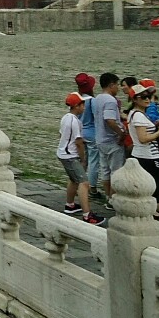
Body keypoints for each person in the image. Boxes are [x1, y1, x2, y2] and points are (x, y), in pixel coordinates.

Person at [127, 86, 159, 236]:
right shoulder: (138, 116)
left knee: (144, 191)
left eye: (148, 96)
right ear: (135, 99)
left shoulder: (136, 114)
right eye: (143, 97)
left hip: (143, 156)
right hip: (148, 157)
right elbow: (143, 139)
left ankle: (146, 219)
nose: (147, 99)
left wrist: (158, 133)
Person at [59, 92, 105, 225]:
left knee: (74, 179)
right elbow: (79, 142)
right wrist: (82, 158)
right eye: (82, 105)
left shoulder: (66, 117)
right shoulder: (75, 121)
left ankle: (70, 204)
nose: (84, 107)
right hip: (70, 156)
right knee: (84, 183)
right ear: (76, 106)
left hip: (63, 153)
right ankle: (87, 215)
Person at [91, 73, 125, 205]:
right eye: (117, 85)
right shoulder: (110, 100)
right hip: (111, 140)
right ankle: (113, 199)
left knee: (105, 170)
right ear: (111, 85)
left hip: (100, 138)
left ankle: (108, 197)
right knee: (116, 171)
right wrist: (120, 133)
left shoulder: (97, 99)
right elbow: (109, 120)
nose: (118, 88)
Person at [74, 73, 102, 199]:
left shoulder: (77, 99)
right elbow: (97, 117)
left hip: (80, 132)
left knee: (82, 160)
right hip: (91, 132)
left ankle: (78, 184)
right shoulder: (92, 101)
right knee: (93, 161)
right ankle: (92, 187)